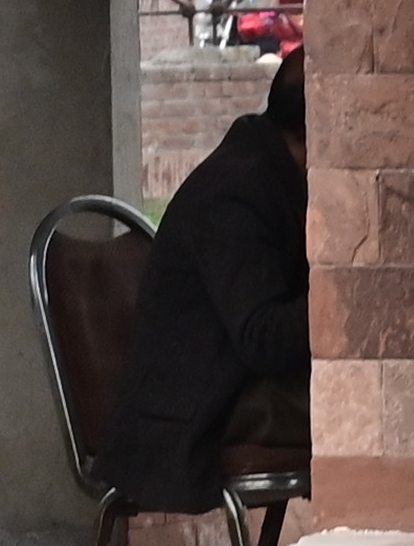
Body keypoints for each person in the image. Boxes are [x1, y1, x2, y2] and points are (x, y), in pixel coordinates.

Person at [106, 52, 309, 520]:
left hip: (242, 391)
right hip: (198, 414)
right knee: (369, 409)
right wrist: (346, 299)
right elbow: (264, 338)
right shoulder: (235, 193)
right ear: (315, 131)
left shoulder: (270, 175)